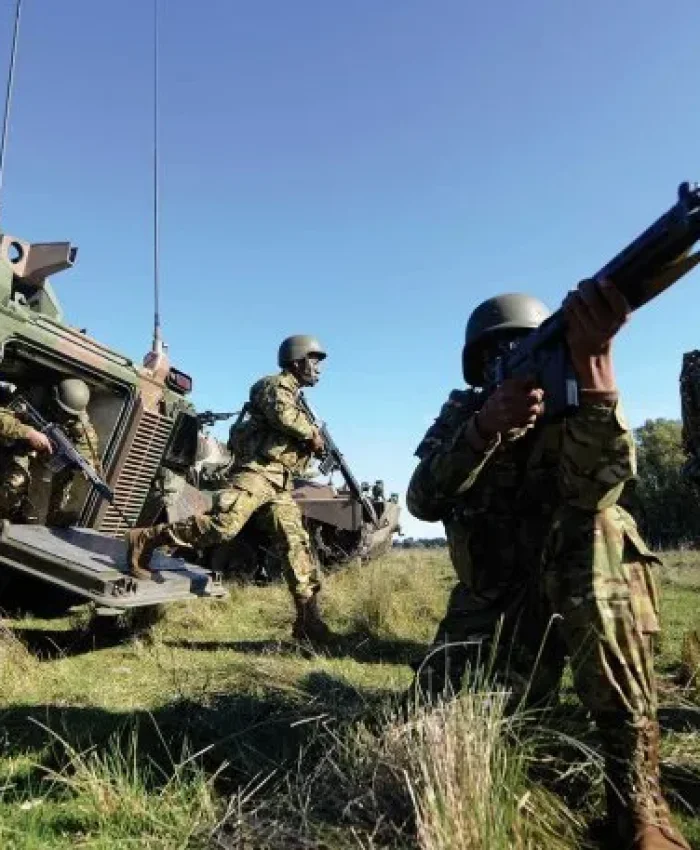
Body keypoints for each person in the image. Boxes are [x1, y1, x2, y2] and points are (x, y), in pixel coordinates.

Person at [406, 281, 689, 850]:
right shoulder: (464, 412)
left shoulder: (580, 396)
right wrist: (485, 428)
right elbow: (422, 500)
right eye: (494, 354)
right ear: (478, 367)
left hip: (585, 598)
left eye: (525, 347)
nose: (508, 362)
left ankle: (637, 801)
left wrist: (596, 370)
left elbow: (602, 488)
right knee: (426, 735)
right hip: (497, 610)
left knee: (599, 527)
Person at [125, 335, 332, 642]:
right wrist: (312, 434)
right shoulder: (273, 386)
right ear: (298, 360)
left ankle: (308, 623)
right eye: (314, 361)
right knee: (225, 526)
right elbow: (283, 416)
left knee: (296, 546)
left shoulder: (301, 400)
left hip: (279, 482)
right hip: (256, 472)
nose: (318, 368)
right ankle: (147, 539)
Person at [0, 378, 99, 525]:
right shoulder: (35, 398)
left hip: (43, 454)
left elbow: (87, 450)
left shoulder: (79, 422)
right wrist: (28, 433)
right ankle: (5, 513)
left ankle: (55, 514)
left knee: (67, 466)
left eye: (68, 413)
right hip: (16, 445)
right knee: (17, 481)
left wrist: (88, 465)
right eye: (62, 410)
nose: (64, 415)